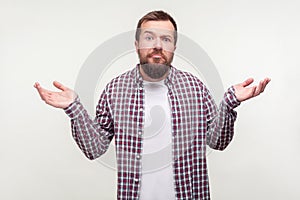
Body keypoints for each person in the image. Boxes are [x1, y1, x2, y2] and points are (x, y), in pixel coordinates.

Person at [34, 10, 270, 200]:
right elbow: (94, 148)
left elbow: (217, 142)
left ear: (174, 47)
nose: (158, 46)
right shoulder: (115, 90)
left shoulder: (195, 87)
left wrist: (230, 103)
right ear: (136, 43)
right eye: (149, 38)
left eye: (166, 39)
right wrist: (74, 107)